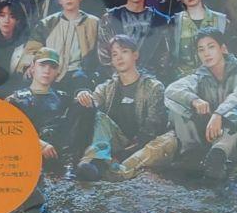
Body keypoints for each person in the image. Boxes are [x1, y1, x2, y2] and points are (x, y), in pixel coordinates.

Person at [74, 34, 177, 183]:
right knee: (99, 117)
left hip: (142, 144)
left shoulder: (153, 87)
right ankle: (94, 162)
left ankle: (114, 170)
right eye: (114, 54)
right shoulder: (107, 87)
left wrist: (126, 152)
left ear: (135, 55)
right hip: (114, 141)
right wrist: (83, 94)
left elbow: (153, 126)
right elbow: (92, 101)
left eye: (124, 51)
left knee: (170, 140)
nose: (119, 58)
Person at [164, 27, 237, 181]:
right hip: (210, 137)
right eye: (201, 49)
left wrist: (218, 114)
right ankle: (192, 155)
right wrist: (194, 100)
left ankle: (218, 156)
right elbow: (171, 90)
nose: (206, 53)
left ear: (223, 49)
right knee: (177, 104)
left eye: (211, 47)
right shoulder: (200, 76)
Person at [6, 47, 90, 177]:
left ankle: (74, 165)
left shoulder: (63, 98)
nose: (47, 70)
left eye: (52, 67)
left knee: (83, 105)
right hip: (29, 155)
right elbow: (5, 130)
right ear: (33, 67)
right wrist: (38, 144)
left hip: (59, 155)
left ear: (57, 71)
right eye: (42, 65)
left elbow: (79, 123)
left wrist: (82, 92)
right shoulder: (16, 99)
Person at [25, 0, 100, 92]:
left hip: (81, 76)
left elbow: (101, 53)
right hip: (51, 74)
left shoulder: (94, 23)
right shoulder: (47, 24)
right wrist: (29, 66)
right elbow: (31, 50)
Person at [96, 0, 170, 79]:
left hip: (151, 79)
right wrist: (121, 77)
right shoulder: (110, 18)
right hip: (118, 78)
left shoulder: (161, 21)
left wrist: (150, 79)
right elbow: (104, 56)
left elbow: (164, 56)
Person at [169, 0, 228, 78]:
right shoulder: (175, 22)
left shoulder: (221, 20)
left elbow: (229, 53)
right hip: (185, 78)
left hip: (217, 77)